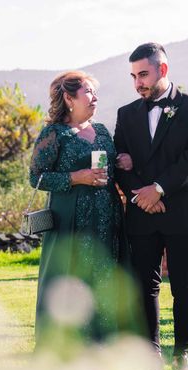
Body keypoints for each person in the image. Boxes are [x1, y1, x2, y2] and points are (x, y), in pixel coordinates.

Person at [113, 42, 188, 370]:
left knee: (184, 284)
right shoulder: (125, 114)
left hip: (182, 208)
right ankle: (150, 355)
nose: (137, 82)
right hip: (142, 212)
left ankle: (181, 354)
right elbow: (121, 164)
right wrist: (142, 196)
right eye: (133, 76)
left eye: (143, 74)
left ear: (163, 70)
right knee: (144, 284)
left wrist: (157, 190)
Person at [30, 71, 130, 344]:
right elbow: (36, 178)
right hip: (69, 222)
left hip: (106, 219)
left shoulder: (101, 131)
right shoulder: (53, 134)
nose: (94, 97)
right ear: (68, 98)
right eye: (88, 91)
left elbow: (111, 170)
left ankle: (105, 341)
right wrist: (75, 178)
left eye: (95, 92)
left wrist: (123, 162)